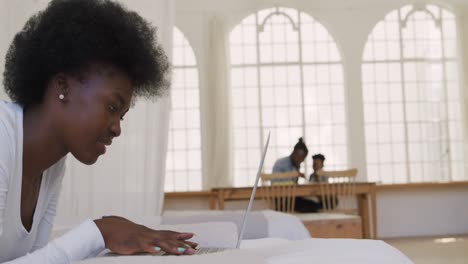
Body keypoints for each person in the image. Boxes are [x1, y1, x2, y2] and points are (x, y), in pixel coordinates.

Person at [0, 0, 197, 263]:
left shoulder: (52, 168)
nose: (116, 128)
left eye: (122, 116)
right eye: (112, 107)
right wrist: (99, 233)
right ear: (63, 87)